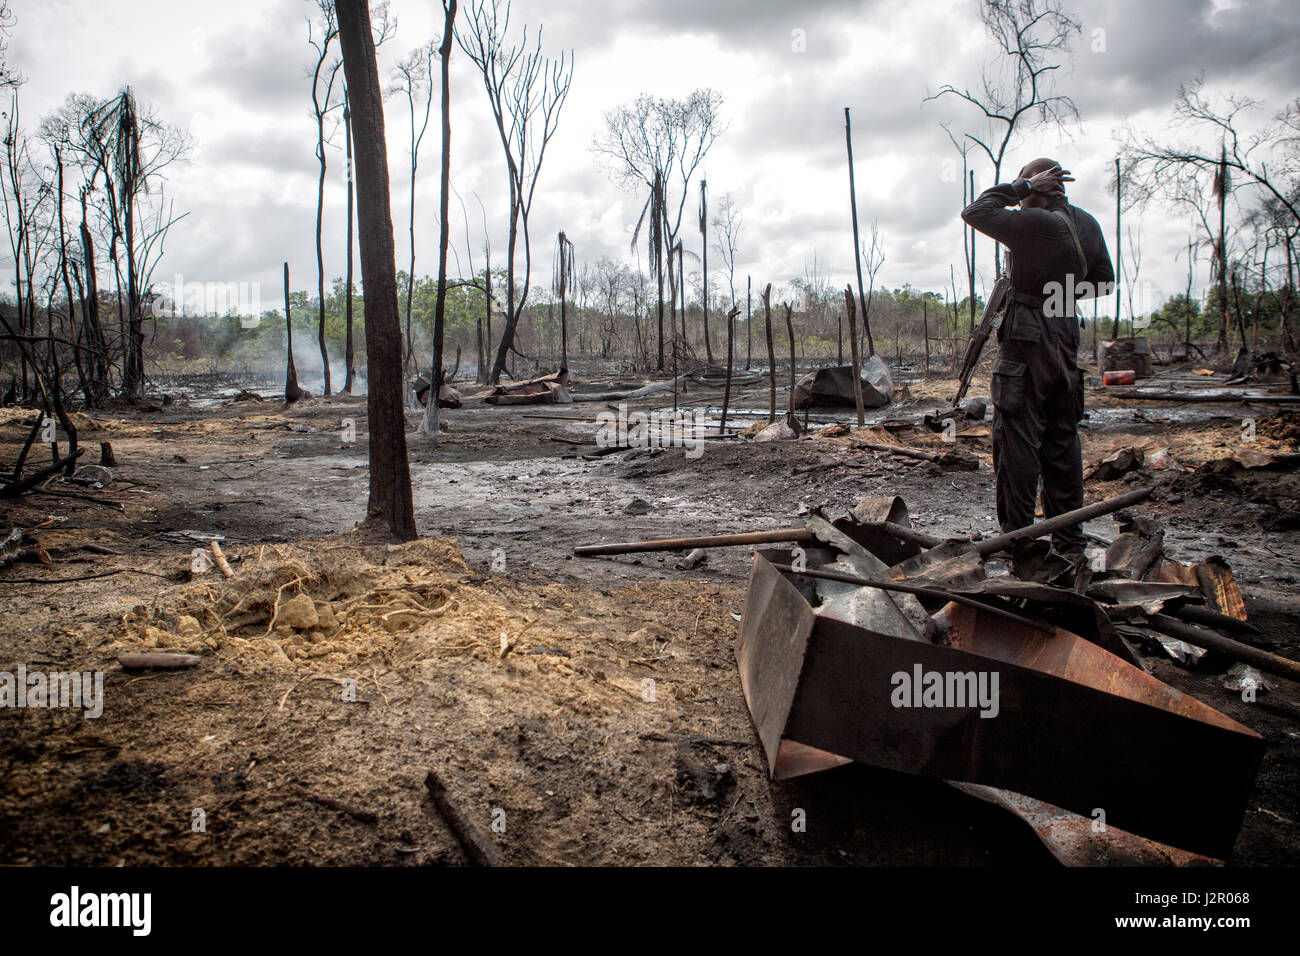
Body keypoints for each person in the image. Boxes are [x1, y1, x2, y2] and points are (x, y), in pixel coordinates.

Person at [961, 159, 1114, 573]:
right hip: (1064, 337)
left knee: (1017, 446)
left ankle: (1022, 550)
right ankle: (1069, 547)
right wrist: (1058, 296)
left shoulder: (1036, 222)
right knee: (1062, 443)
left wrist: (1020, 184)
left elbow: (975, 212)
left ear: (1042, 186)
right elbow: (1104, 280)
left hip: (1027, 341)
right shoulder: (1086, 224)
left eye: (1030, 188)